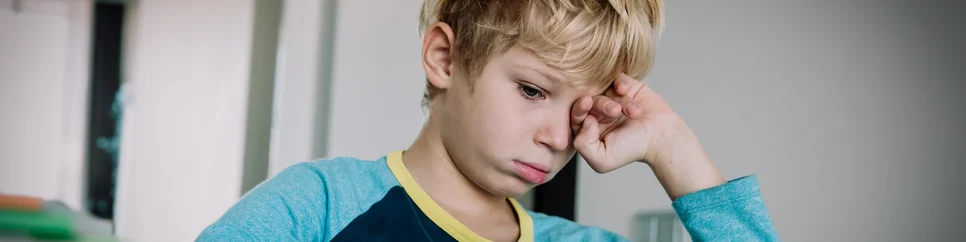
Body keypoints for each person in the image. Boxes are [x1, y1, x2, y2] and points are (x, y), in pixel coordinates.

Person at [197, 0, 779, 241]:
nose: (557, 137)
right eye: (532, 90)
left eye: (579, 110)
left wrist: (675, 149)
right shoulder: (318, 204)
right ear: (445, 58)